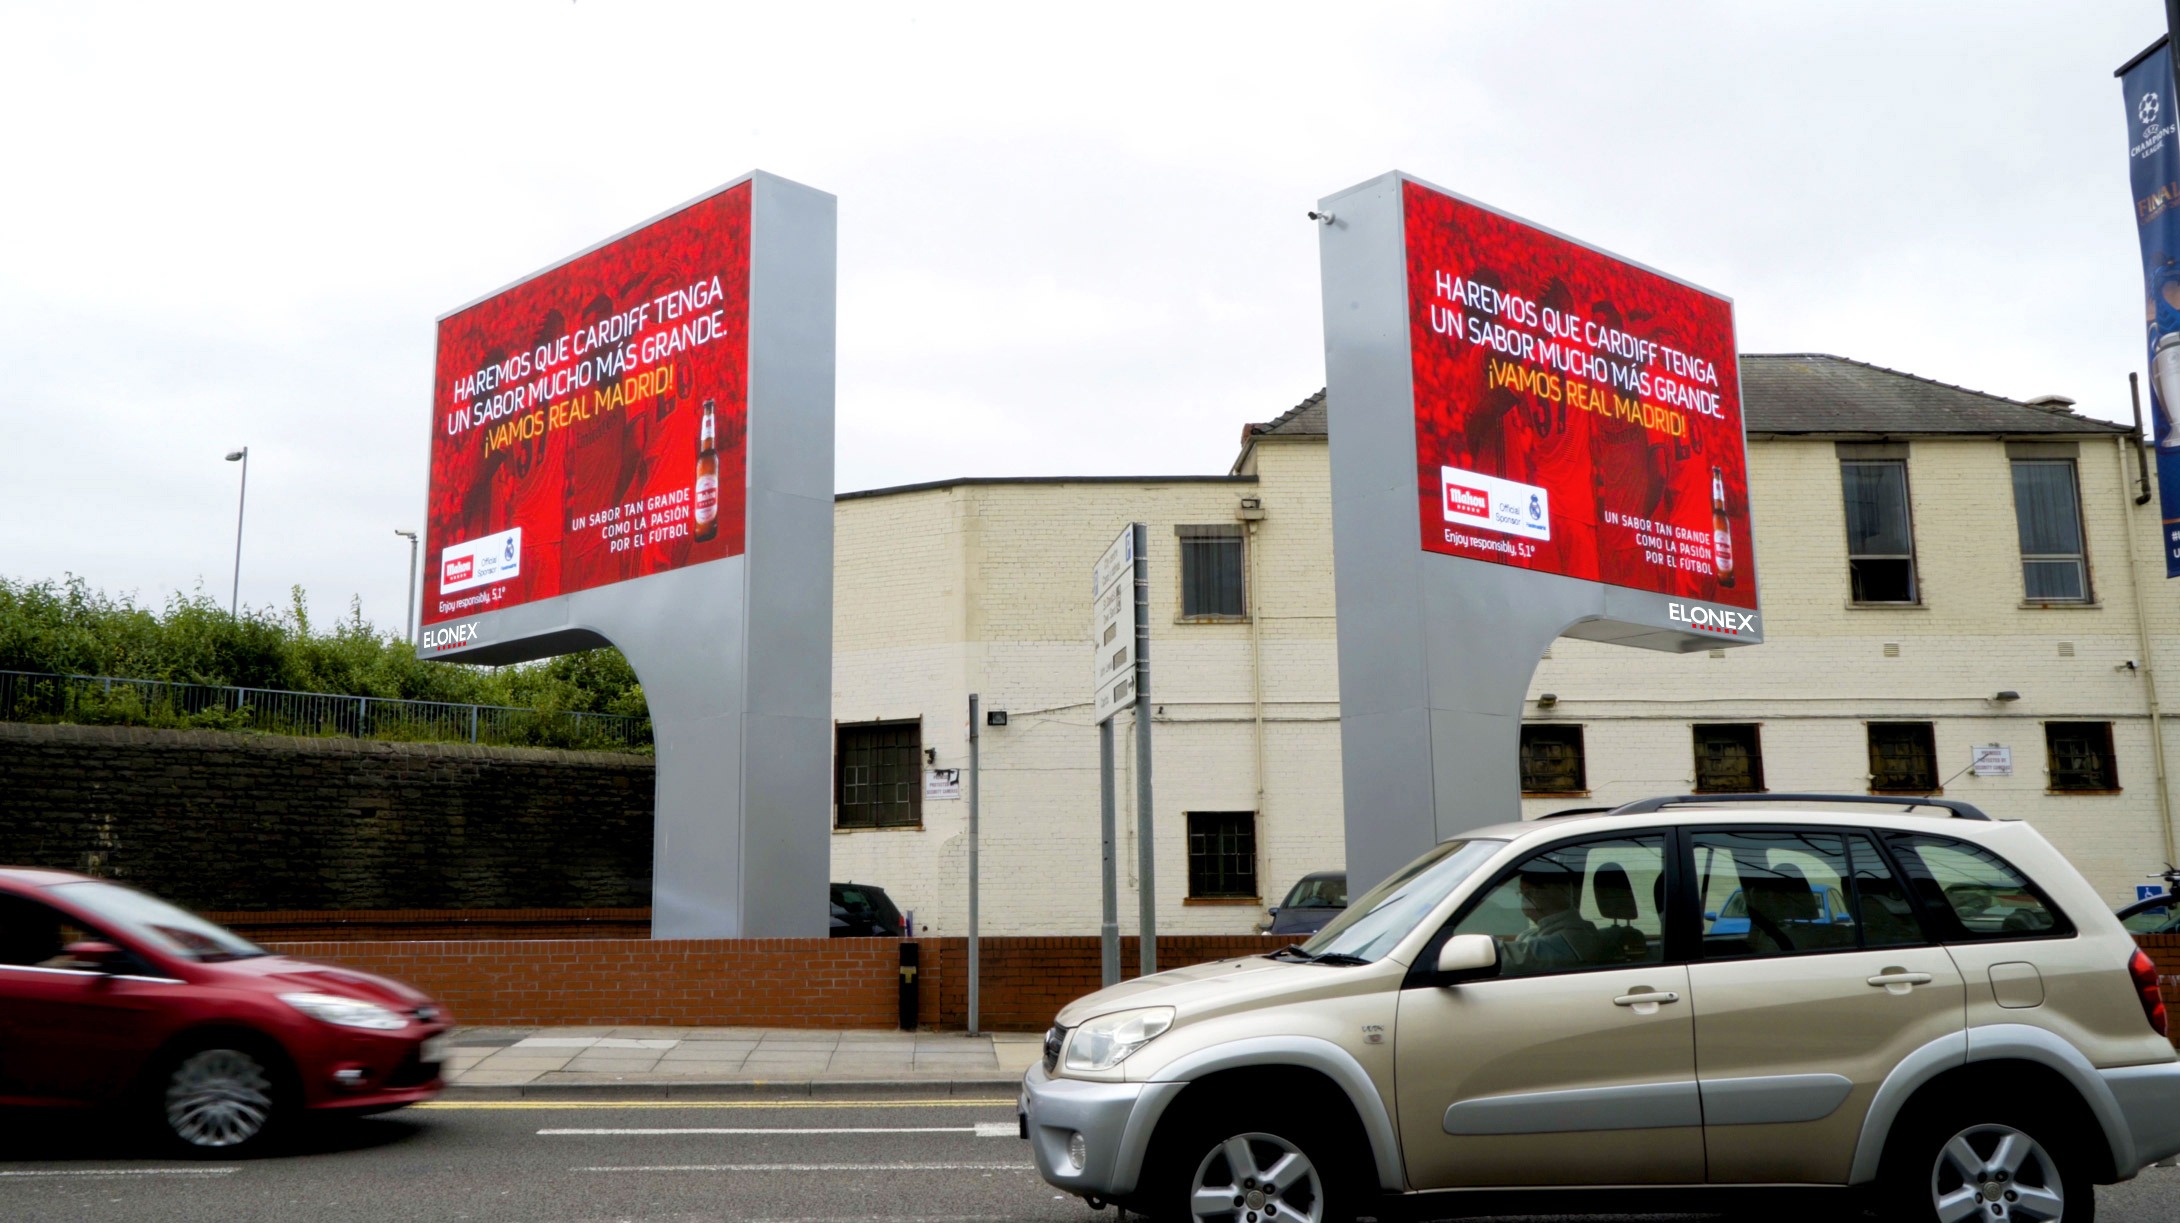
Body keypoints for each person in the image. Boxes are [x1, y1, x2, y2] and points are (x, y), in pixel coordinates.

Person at [1499, 863, 1601, 974]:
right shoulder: (1532, 934)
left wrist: (1480, 950)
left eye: (1530, 892)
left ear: (1557, 892)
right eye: (1522, 893)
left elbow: (1516, 959)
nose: (1525, 899)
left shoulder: (1576, 936)